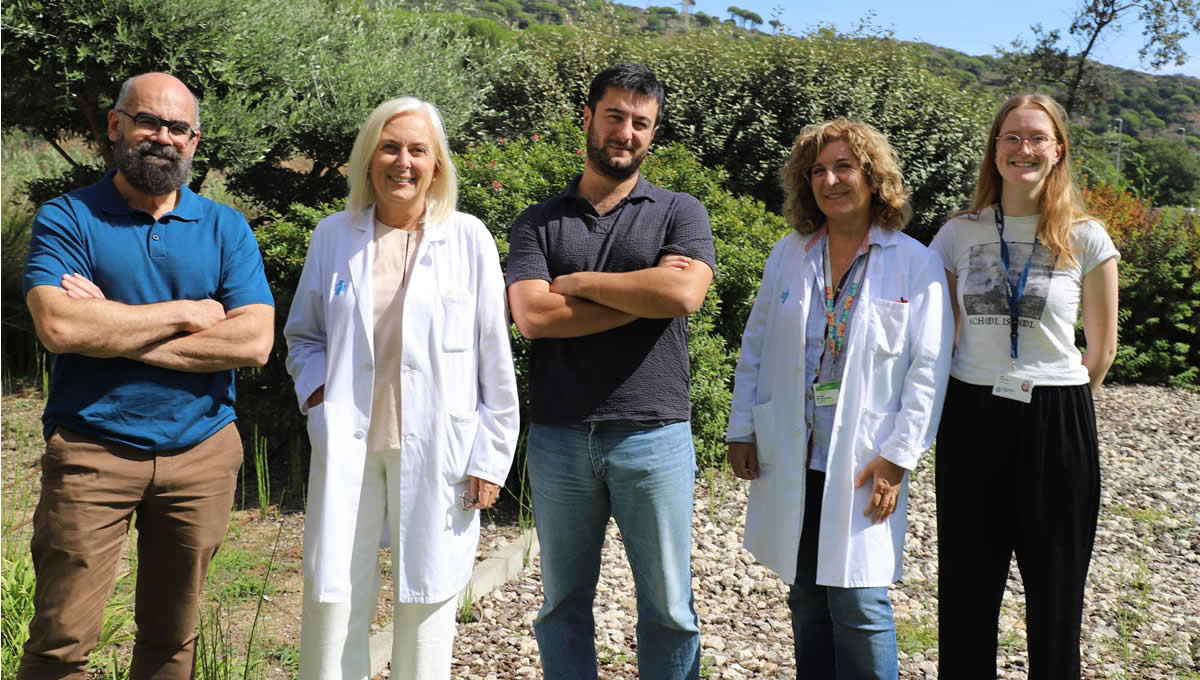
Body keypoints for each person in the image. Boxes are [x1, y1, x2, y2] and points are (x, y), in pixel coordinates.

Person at [19, 72, 275, 679]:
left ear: (194, 140)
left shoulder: (225, 228)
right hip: (92, 450)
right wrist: (188, 313)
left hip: (202, 454)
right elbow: (59, 328)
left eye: (177, 128)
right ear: (116, 126)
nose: (162, 137)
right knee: (61, 641)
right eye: (148, 122)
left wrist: (110, 327)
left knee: (171, 638)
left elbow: (255, 341)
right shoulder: (68, 217)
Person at [284, 96, 519, 680]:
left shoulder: (468, 240)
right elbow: (303, 338)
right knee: (333, 598)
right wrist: (320, 401)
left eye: (418, 150)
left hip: (440, 447)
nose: (403, 162)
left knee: (428, 600)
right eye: (390, 147)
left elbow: (495, 355)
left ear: (437, 165)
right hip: (350, 445)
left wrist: (490, 456)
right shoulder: (334, 237)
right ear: (369, 158)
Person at [505, 62, 715, 680]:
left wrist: (583, 283)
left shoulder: (680, 212)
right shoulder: (537, 221)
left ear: (653, 134)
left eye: (641, 123)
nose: (626, 132)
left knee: (671, 609)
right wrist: (639, 295)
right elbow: (535, 316)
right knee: (562, 605)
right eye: (616, 116)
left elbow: (682, 297)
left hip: (655, 436)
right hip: (560, 435)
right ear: (589, 118)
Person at [725, 118, 952, 679]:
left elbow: (930, 368)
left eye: (844, 166)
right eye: (818, 171)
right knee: (805, 594)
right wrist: (741, 428)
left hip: (865, 457)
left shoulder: (914, 262)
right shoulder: (790, 253)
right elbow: (755, 342)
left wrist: (899, 457)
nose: (830, 179)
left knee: (859, 600)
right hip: (795, 453)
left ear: (874, 177)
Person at [931, 93, 1119, 677]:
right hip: (971, 413)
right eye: (1011, 137)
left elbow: (1102, 349)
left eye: (1037, 137)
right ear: (995, 149)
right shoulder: (957, 234)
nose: (1023, 149)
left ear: (1058, 149)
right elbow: (939, 335)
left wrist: (1048, 398)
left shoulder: (1086, 237)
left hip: (1056, 419)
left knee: (1056, 591)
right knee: (966, 589)